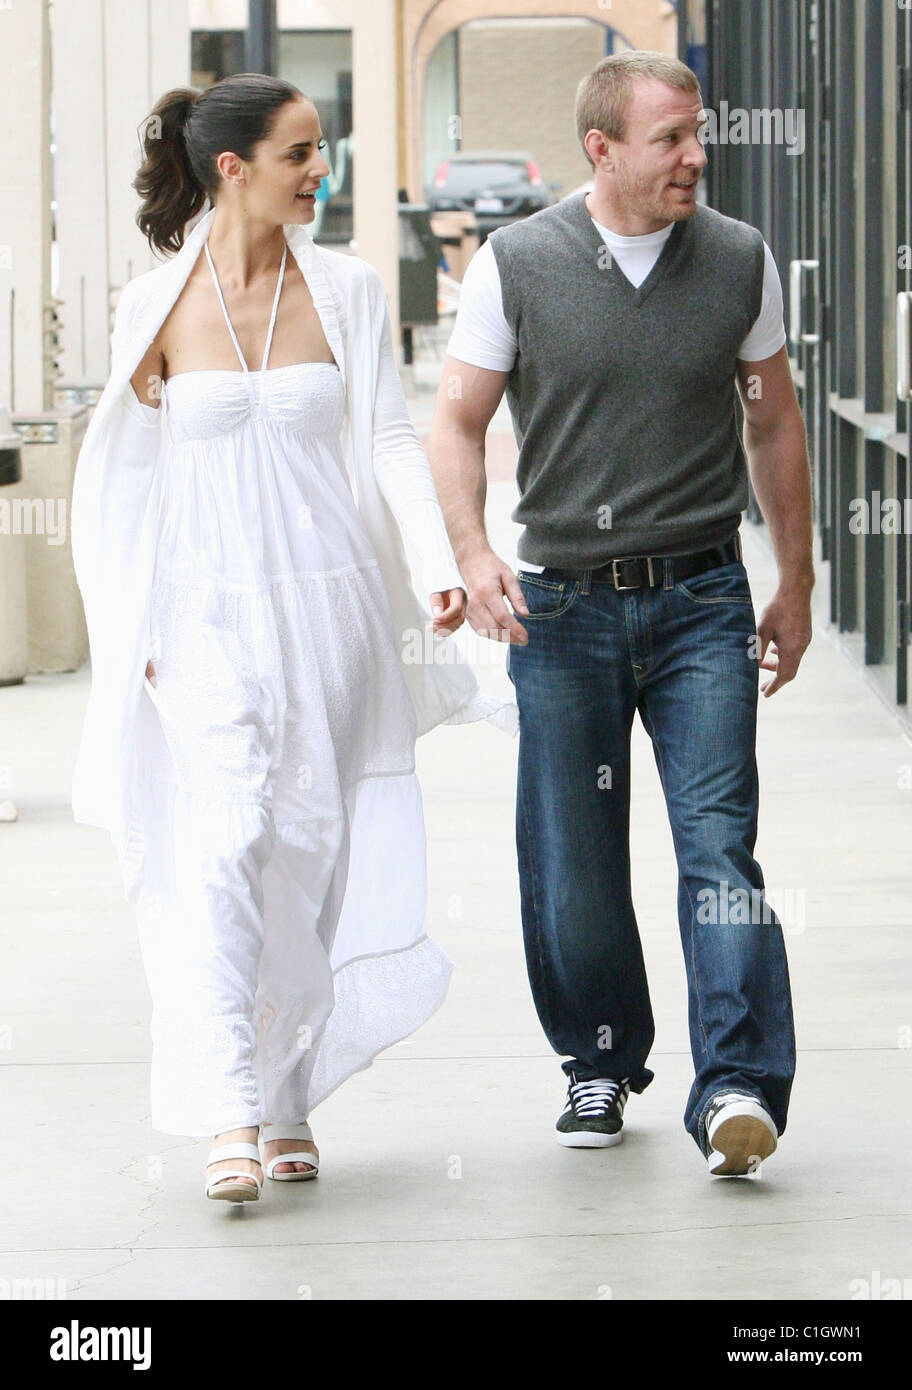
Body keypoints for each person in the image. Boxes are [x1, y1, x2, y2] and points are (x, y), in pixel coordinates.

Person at [69, 72, 518, 1204]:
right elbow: (117, 483)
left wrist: (433, 567)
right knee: (223, 843)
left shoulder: (353, 291)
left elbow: (386, 441)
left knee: (311, 851)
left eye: (320, 150)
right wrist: (134, 631)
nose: (323, 169)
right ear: (234, 169)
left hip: (332, 611)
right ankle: (229, 1103)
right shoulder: (152, 306)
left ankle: (286, 1091)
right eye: (302, 153)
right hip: (205, 611)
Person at [428, 51, 813, 1177]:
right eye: (672, 140)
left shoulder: (740, 259)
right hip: (563, 606)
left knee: (720, 849)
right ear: (603, 149)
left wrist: (794, 578)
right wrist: (472, 549)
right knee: (573, 855)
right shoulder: (519, 264)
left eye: (700, 135)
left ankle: (737, 1082)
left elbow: (775, 425)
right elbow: (456, 421)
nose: (696, 156)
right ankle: (599, 1057)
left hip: (702, 598)